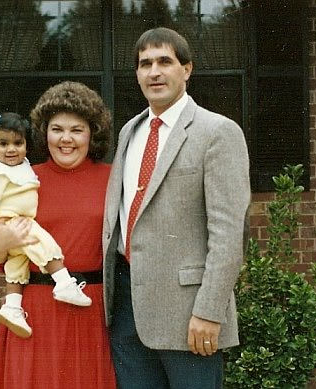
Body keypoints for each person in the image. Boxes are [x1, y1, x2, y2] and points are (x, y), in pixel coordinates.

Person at [102, 27, 251, 388]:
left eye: (165, 61)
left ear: (187, 69)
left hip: (190, 314)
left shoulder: (217, 131)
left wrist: (209, 311)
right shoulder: (129, 132)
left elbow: (229, 235)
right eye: (145, 63)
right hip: (126, 308)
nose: (154, 71)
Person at [0, 82, 116, 388]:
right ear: (43, 132)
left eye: (77, 130)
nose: (66, 139)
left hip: (91, 310)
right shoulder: (21, 178)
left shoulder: (113, 178)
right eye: (57, 129)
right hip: (34, 310)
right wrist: (4, 242)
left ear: (93, 133)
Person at [0, 112, 92, 338]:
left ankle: (12, 306)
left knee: (17, 263)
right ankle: (63, 281)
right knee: (40, 240)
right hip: (10, 221)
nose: (11, 149)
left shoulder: (23, 168)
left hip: (16, 220)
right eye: (3, 144)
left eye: (18, 143)